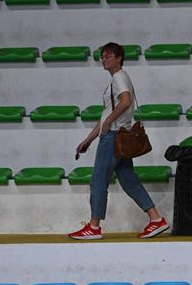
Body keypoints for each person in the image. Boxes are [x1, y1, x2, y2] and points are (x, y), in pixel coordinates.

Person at [68, 41, 168, 241]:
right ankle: (156, 219)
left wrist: (108, 123)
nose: (104, 59)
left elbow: (126, 101)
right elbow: (106, 114)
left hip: (113, 137)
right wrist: (89, 139)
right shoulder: (119, 78)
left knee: (98, 180)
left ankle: (94, 226)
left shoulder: (119, 77)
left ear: (119, 58)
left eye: (108, 56)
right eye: (102, 56)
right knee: (128, 180)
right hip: (118, 135)